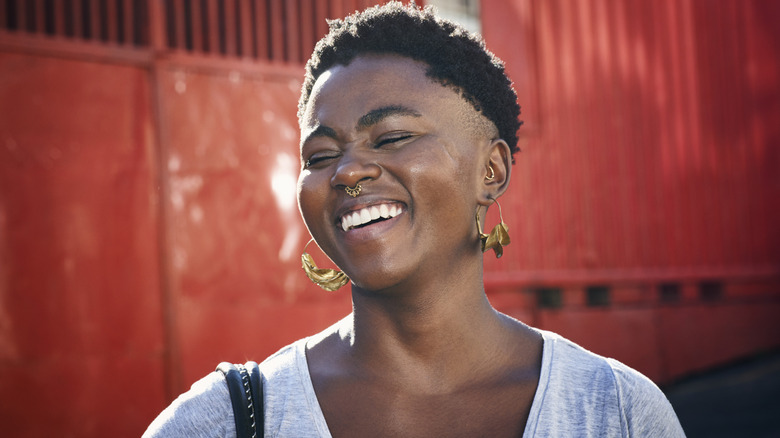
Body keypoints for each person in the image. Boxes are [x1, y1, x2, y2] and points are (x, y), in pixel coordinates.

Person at [144, 3, 685, 437]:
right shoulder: (221, 423)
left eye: (393, 138)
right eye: (321, 155)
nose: (348, 171)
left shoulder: (619, 412)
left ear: (490, 171)